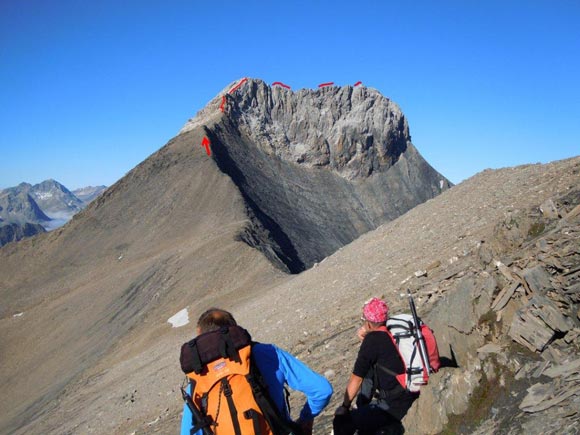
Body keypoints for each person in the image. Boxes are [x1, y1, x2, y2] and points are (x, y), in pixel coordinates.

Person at [180, 308, 333, 435]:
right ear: (233, 329)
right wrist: (306, 418)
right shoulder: (268, 353)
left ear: (200, 338)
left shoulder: (198, 379)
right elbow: (322, 390)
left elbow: (190, 431)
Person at [333, 298, 418, 435]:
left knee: (342, 421)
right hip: (410, 391)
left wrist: (344, 407)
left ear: (368, 322)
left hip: (393, 405)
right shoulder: (394, 332)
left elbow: (357, 378)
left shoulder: (372, 342)